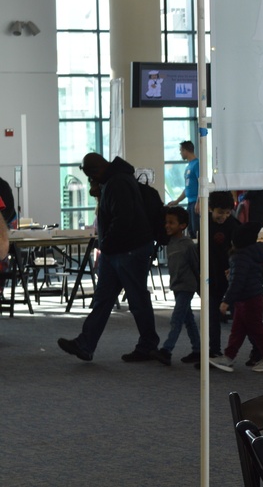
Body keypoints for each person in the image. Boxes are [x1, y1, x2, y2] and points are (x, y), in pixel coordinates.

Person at [58, 153, 167, 364]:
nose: (91, 181)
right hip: (120, 250)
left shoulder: (118, 183)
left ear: (95, 171)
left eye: (90, 176)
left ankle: (147, 345)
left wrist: (106, 244)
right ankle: (86, 344)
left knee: (135, 299)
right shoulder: (115, 180)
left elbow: (123, 219)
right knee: (105, 299)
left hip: (129, 250)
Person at [209, 221, 263, 373]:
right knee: (238, 330)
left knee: (256, 330)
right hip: (251, 297)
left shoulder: (239, 257)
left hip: (247, 299)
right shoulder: (254, 253)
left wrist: (226, 301)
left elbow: (237, 282)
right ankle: (229, 356)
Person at [157, 206, 200, 366]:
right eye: (166, 222)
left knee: (177, 319)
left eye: (171, 223)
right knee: (188, 319)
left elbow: (196, 266)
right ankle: (197, 350)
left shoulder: (187, 244)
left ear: (182, 225)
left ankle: (166, 350)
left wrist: (200, 287)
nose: (167, 225)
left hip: (187, 286)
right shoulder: (171, 243)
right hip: (177, 285)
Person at [205, 190, 240, 360]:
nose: (224, 216)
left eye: (227, 213)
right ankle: (214, 349)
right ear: (211, 208)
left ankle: (258, 350)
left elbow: (239, 250)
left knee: (241, 316)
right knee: (212, 316)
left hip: (229, 277)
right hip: (211, 276)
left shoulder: (234, 225)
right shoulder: (204, 223)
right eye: (220, 212)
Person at [167, 140, 199, 237]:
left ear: (185, 150)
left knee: (196, 230)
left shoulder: (197, 164)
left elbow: (202, 184)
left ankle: (199, 251)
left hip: (195, 203)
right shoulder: (188, 166)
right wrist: (176, 201)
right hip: (190, 203)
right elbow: (187, 189)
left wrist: (199, 202)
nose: (180, 153)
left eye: (181, 150)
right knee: (190, 230)